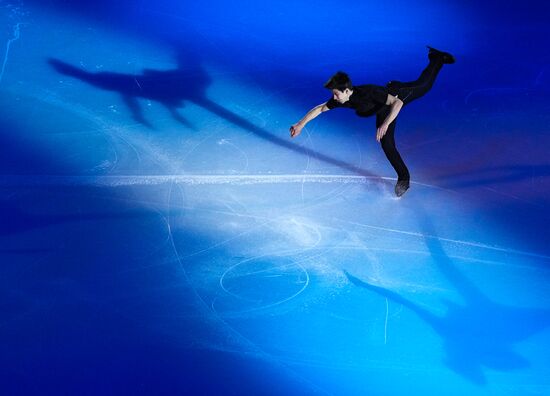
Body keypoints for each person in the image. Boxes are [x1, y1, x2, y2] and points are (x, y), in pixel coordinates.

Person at [290, 46, 455, 197]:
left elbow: (397, 104)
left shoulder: (368, 92)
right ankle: (404, 177)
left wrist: (385, 124)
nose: (333, 97)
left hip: (396, 97)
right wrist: (300, 124)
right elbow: (320, 108)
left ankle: (436, 57)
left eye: (336, 94)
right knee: (387, 144)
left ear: (347, 91)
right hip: (383, 105)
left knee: (424, 85)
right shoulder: (342, 99)